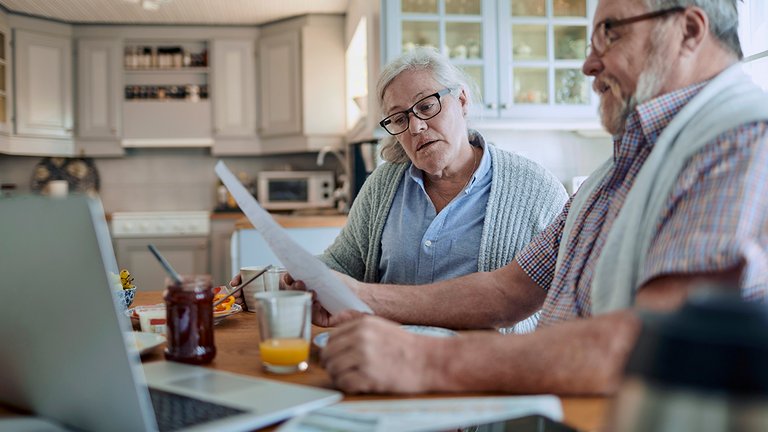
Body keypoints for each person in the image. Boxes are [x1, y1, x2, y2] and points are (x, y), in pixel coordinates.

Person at [309, 0, 768, 395]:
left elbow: (654, 344)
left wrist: (425, 360)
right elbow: (506, 290)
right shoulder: (613, 174)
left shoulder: (742, 140)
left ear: (688, 30)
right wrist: (358, 295)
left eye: (610, 33)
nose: (588, 64)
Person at [235, 48, 569, 333]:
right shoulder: (384, 185)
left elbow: (561, 305)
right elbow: (341, 264)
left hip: (482, 373)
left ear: (462, 101)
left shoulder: (536, 191)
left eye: (426, 106)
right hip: (382, 358)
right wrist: (282, 279)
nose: (417, 127)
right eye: (399, 119)